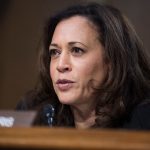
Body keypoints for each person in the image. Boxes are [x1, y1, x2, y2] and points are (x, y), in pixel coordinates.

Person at [16, 2, 150, 129]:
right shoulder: (34, 113)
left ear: (112, 60)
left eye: (77, 50)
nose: (61, 65)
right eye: (55, 52)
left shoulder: (143, 120)